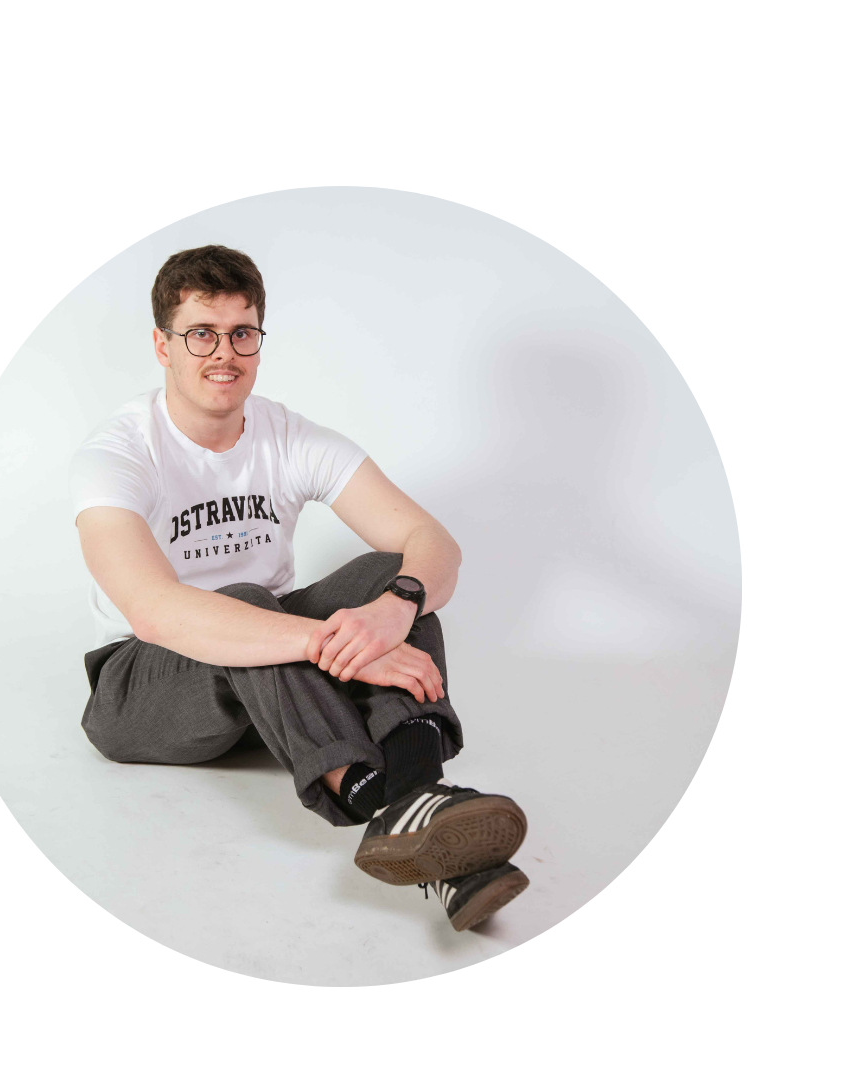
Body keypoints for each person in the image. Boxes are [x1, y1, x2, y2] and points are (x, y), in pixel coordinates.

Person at [70, 245, 529, 932]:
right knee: (243, 603)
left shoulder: (287, 436)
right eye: (201, 334)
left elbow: (434, 542)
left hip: (271, 689)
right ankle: (379, 797)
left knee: (391, 574)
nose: (224, 353)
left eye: (242, 333)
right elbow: (155, 611)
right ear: (163, 346)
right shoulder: (118, 453)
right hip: (140, 690)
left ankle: (417, 799)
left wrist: (395, 608)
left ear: (259, 340)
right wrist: (335, 647)